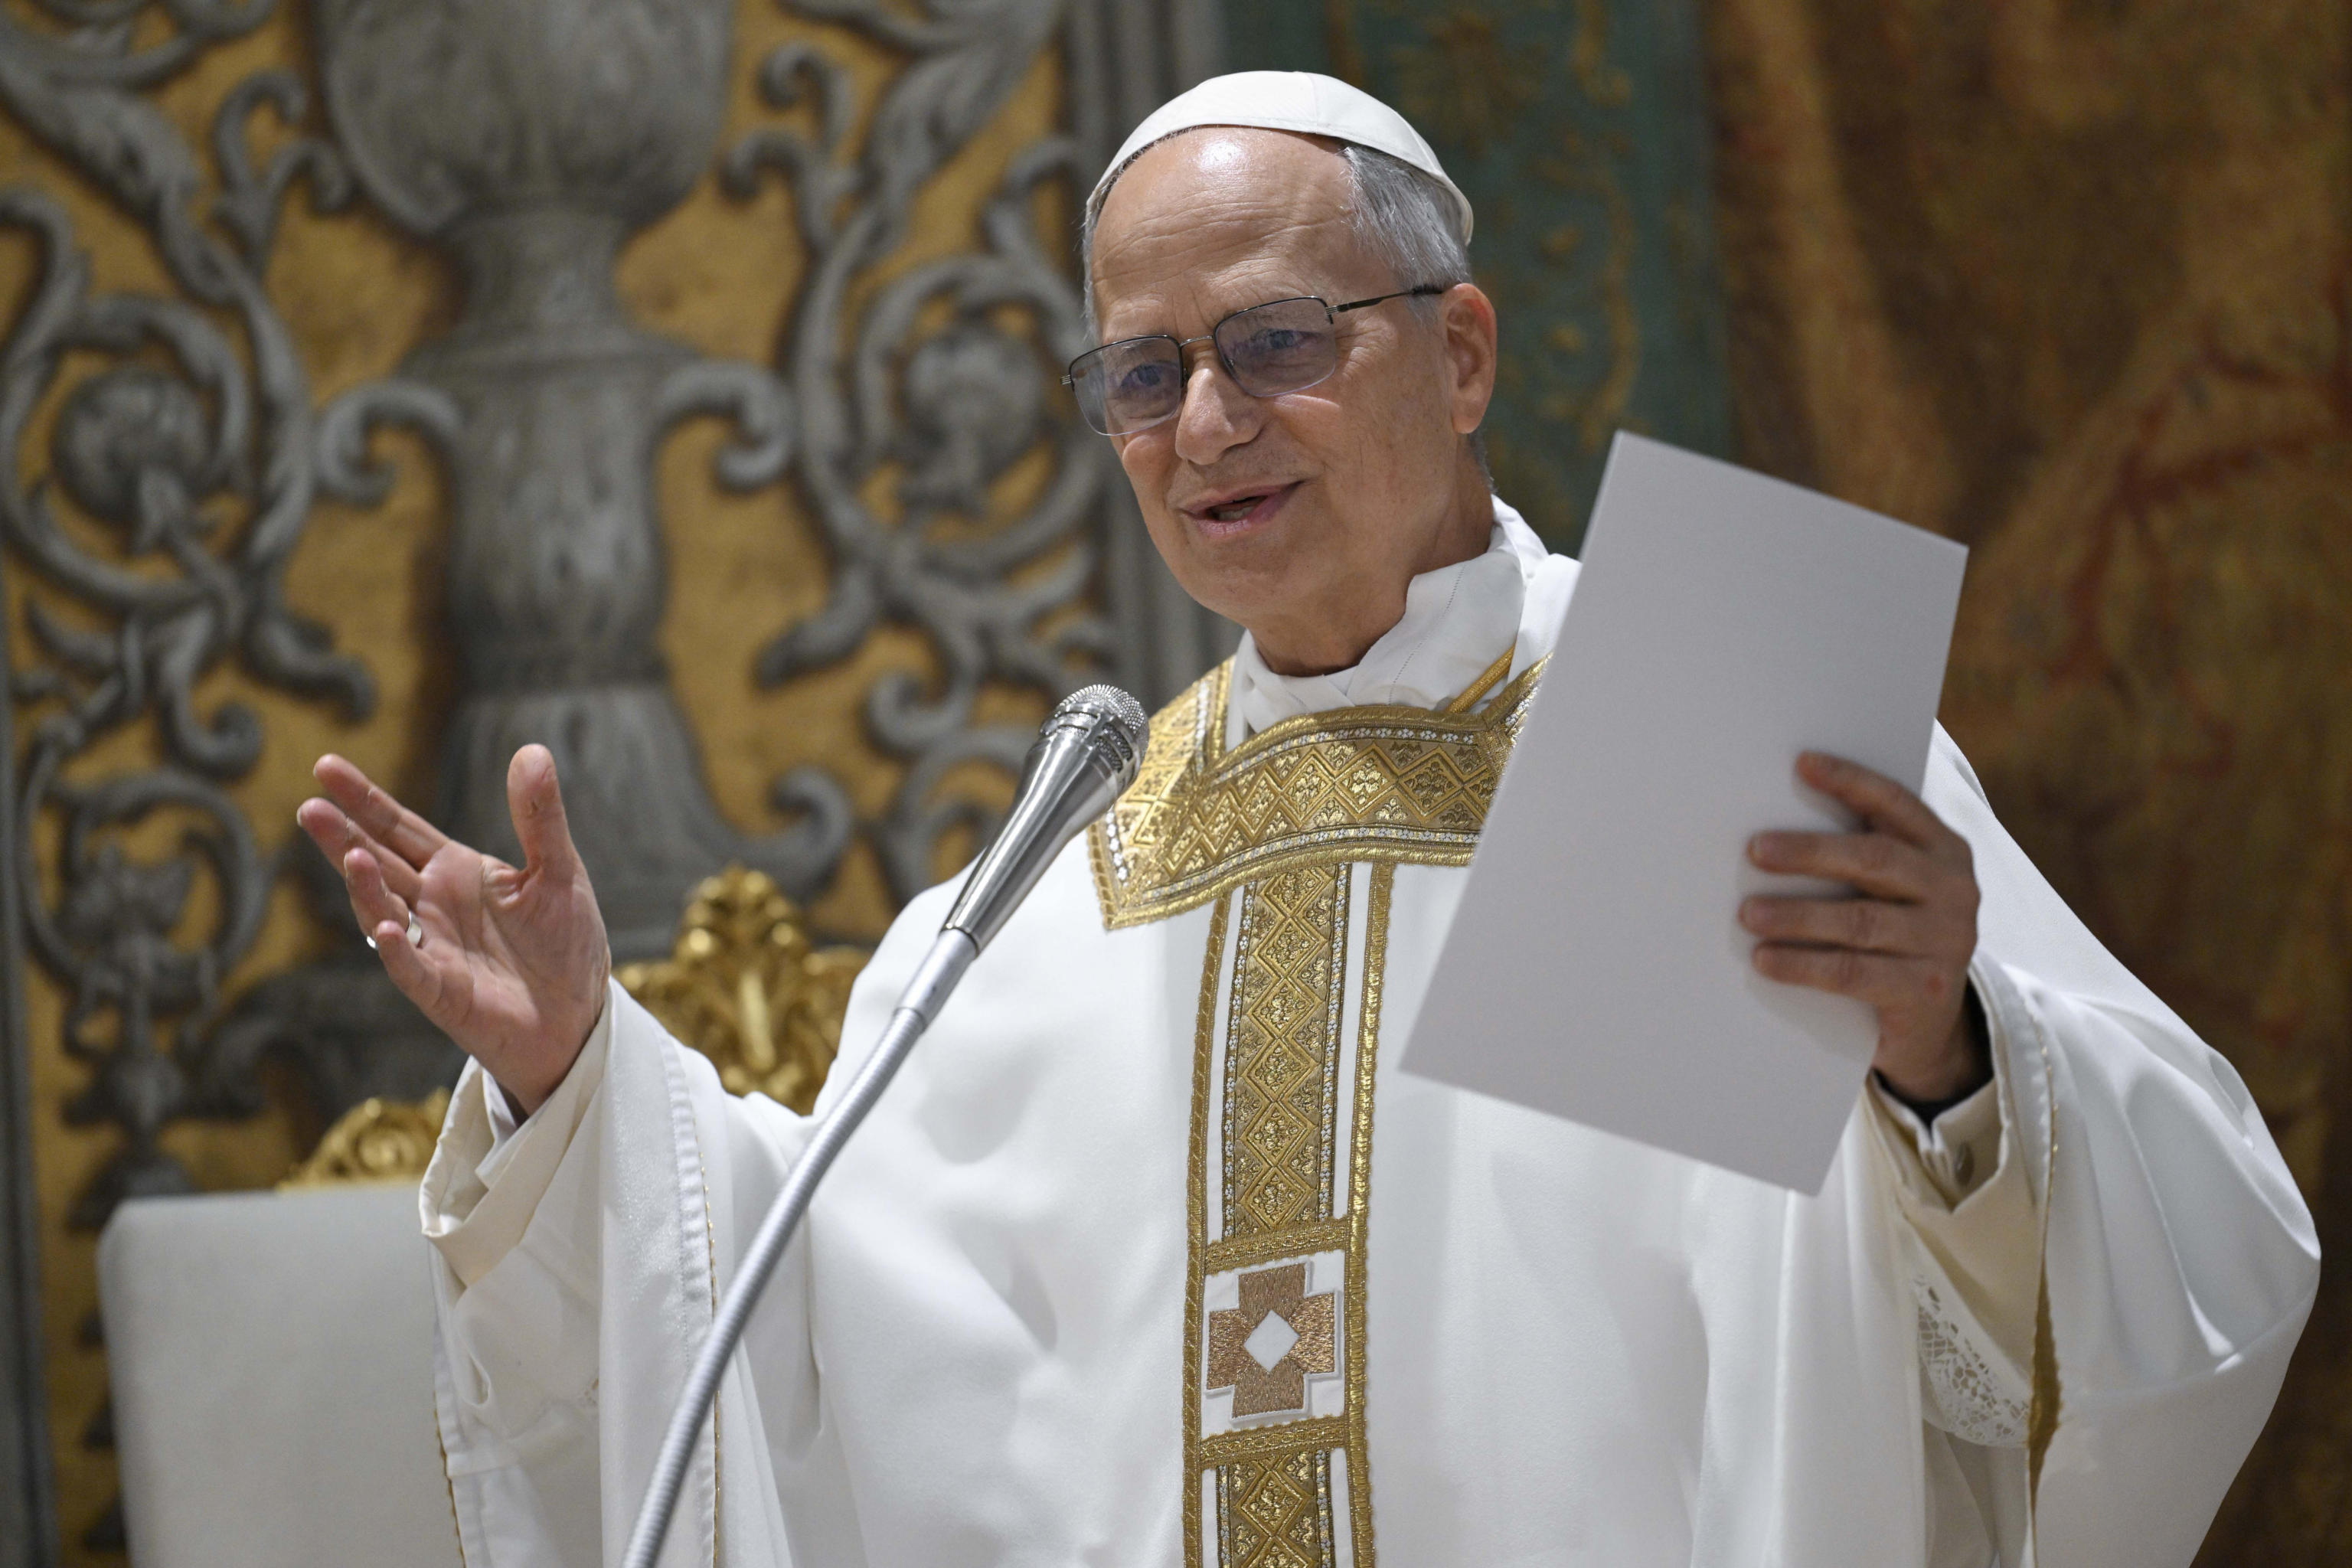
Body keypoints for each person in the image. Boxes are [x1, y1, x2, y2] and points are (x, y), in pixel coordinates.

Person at [299, 72, 2314, 1568]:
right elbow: (800, 1343)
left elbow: (2194, 1239)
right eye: (1143, 374)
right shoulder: (1056, 882)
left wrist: (1946, 1058)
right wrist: (578, 1076)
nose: (1205, 429)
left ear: (1458, 348)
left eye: (1272, 344)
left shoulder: (1726, 736)